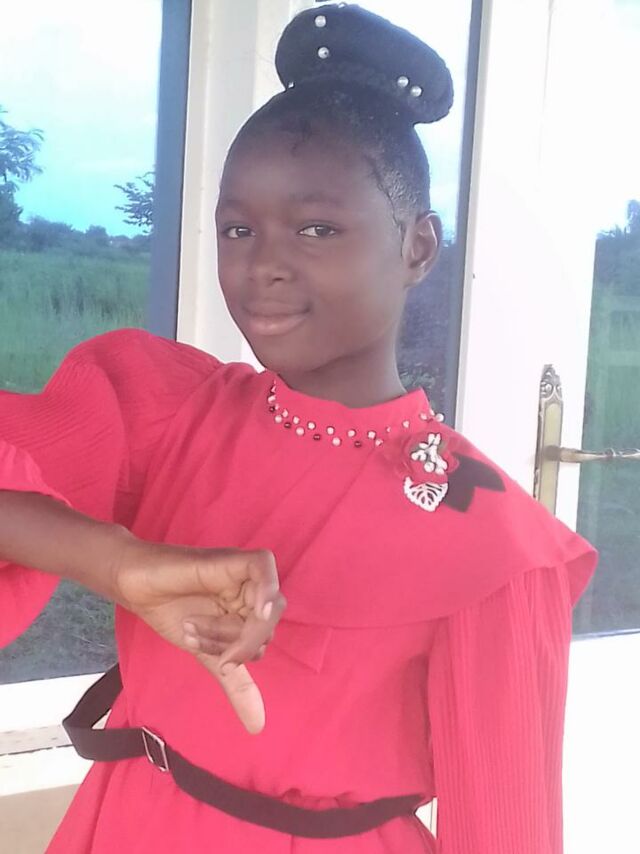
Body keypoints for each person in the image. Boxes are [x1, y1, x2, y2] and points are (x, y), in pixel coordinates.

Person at [0, 5, 597, 852]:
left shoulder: (494, 544)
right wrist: (121, 564)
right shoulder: (168, 411)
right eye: (237, 228)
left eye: (317, 228)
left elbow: (508, 833)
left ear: (418, 248)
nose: (263, 264)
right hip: (123, 824)